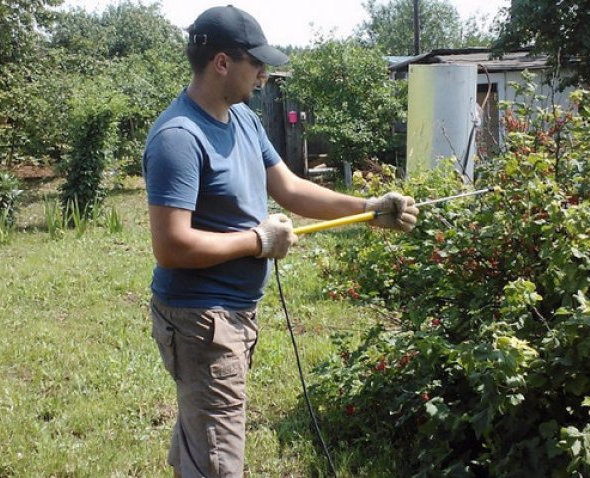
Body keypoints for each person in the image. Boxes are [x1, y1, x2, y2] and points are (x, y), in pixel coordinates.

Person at [142, 6, 419, 477]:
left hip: (231, 313)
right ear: (223, 63)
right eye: (257, 63)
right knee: (218, 460)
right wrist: (257, 241)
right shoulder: (178, 138)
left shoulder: (244, 120)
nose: (265, 75)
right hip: (202, 321)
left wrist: (368, 209)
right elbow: (171, 246)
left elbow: (289, 188)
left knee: (205, 439)